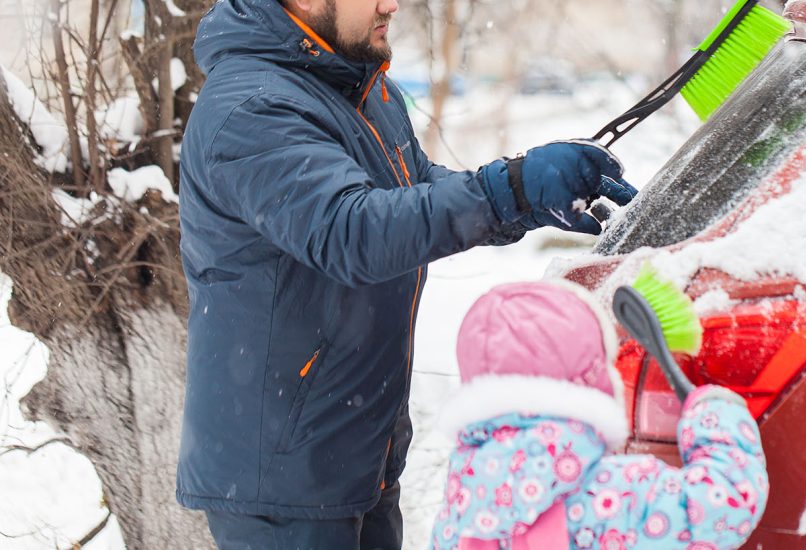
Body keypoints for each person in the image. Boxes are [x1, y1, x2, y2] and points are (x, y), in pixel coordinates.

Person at [174, 0, 638, 545]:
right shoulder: (252, 108)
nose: (390, 3)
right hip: (281, 483)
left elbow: (413, 193)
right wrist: (507, 189)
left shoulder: (363, 89)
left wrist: (523, 202)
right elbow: (353, 233)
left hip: (358, 452)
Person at [431, 281, 768, 549]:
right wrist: (716, 415)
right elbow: (722, 506)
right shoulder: (616, 493)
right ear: (592, 383)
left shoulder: (461, 507)